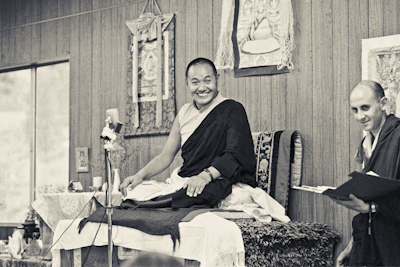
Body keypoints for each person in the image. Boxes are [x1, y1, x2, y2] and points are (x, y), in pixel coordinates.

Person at [120, 57, 257, 208]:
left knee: (197, 194)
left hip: (215, 179)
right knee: (135, 191)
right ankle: (161, 202)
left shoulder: (232, 109)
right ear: (187, 83)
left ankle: (162, 204)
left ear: (218, 79)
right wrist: (139, 176)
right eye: (195, 82)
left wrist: (206, 176)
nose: (202, 88)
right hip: (185, 180)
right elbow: (165, 156)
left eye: (207, 80)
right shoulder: (184, 112)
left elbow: (235, 154)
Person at [333, 80, 400, 266]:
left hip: (393, 243)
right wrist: (351, 247)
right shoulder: (366, 143)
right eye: (354, 110)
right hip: (369, 240)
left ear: (384, 103)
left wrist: (371, 208)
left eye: (365, 108)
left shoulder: (398, 136)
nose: (359, 116)